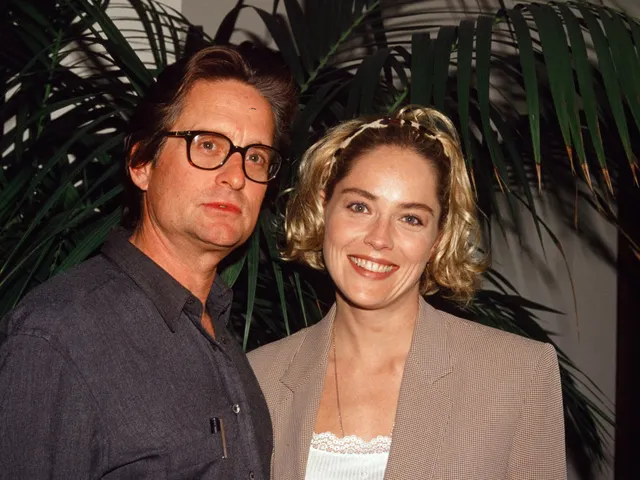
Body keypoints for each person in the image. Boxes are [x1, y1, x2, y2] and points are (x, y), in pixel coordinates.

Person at [0, 45, 297, 479]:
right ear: (141, 164)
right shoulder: (58, 337)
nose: (236, 176)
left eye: (255, 156)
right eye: (208, 145)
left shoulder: (222, 334)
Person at [248, 107, 567, 479]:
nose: (379, 238)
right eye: (360, 207)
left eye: (410, 218)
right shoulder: (259, 376)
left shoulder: (518, 374)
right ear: (324, 210)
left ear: (438, 239)